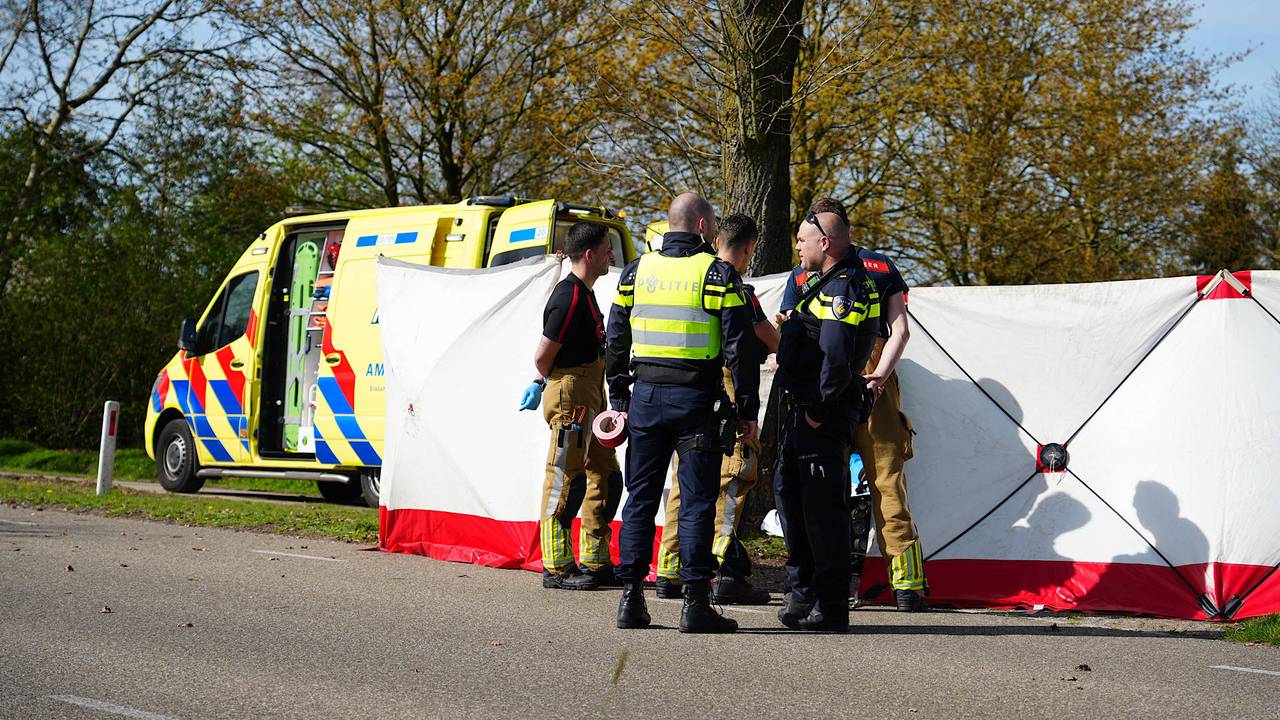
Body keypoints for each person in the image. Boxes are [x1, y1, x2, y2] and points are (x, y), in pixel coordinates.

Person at [605, 193, 759, 633]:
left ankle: (630, 599)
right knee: (694, 503)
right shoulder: (716, 273)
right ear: (703, 227)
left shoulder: (637, 271)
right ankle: (694, 604)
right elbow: (740, 347)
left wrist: (619, 395)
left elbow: (616, 336)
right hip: (695, 401)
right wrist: (747, 408)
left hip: (646, 399)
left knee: (640, 498)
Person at [779, 204, 927, 612]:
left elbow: (790, 329)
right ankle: (907, 586)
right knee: (887, 481)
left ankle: (823, 586)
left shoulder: (803, 272)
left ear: (823, 235)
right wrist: (879, 376)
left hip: (825, 381)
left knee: (820, 486)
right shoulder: (880, 267)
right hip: (874, 380)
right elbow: (901, 330)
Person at [654, 214, 778, 605]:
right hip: (726, 384)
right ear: (747, 249)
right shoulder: (734, 284)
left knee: (684, 481)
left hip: (690, 385)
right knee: (735, 472)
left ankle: (671, 567)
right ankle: (723, 566)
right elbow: (766, 338)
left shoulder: (690, 276)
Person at [773, 198, 880, 632]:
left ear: (825, 240)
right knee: (790, 498)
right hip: (803, 413)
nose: (798, 247)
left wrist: (818, 410)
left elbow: (837, 358)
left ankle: (831, 604)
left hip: (822, 414)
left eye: (802, 240)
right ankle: (804, 594)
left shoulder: (845, 287)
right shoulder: (822, 282)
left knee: (823, 512)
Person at [519, 222, 623, 591]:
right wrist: (549, 384)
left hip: (591, 391)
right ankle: (557, 567)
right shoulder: (569, 296)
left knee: (608, 477)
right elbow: (543, 357)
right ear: (590, 254)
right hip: (572, 396)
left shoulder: (587, 293)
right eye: (607, 249)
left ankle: (596, 560)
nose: (613, 255)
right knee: (565, 479)